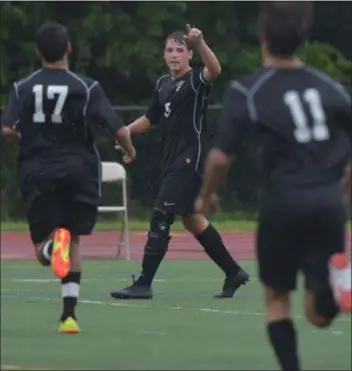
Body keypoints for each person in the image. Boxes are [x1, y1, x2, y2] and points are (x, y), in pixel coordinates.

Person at [195, 2, 351, 371]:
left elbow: (219, 158)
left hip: (282, 205)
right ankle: (335, 289)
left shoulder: (249, 91)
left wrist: (207, 194)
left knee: (277, 298)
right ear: (302, 39)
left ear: (262, 37)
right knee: (319, 315)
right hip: (328, 205)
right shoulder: (329, 86)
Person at [1, 21, 135, 334]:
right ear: (68, 49)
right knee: (72, 238)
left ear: (38, 53)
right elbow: (116, 127)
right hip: (80, 170)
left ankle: (49, 250)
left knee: (44, 248)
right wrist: (128, 150)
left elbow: (7, 127)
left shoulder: (23, 88)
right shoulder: (86, 87)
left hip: (39, 171)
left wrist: (25, 139)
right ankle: (68, 316)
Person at [110, 25, 249, 300]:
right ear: (164, 55)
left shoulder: (196, 79)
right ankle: (234, 272)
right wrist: (126, 131)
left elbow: (216, 70)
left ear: (188, 54)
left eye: (179, 50)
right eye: (169, 50)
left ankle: (144, 283)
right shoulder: (163, 84)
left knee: (162, 213)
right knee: (193, 220)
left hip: (190, 157)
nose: (174, 55)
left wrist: (201, 42)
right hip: (173, 158)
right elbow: (151, 119)